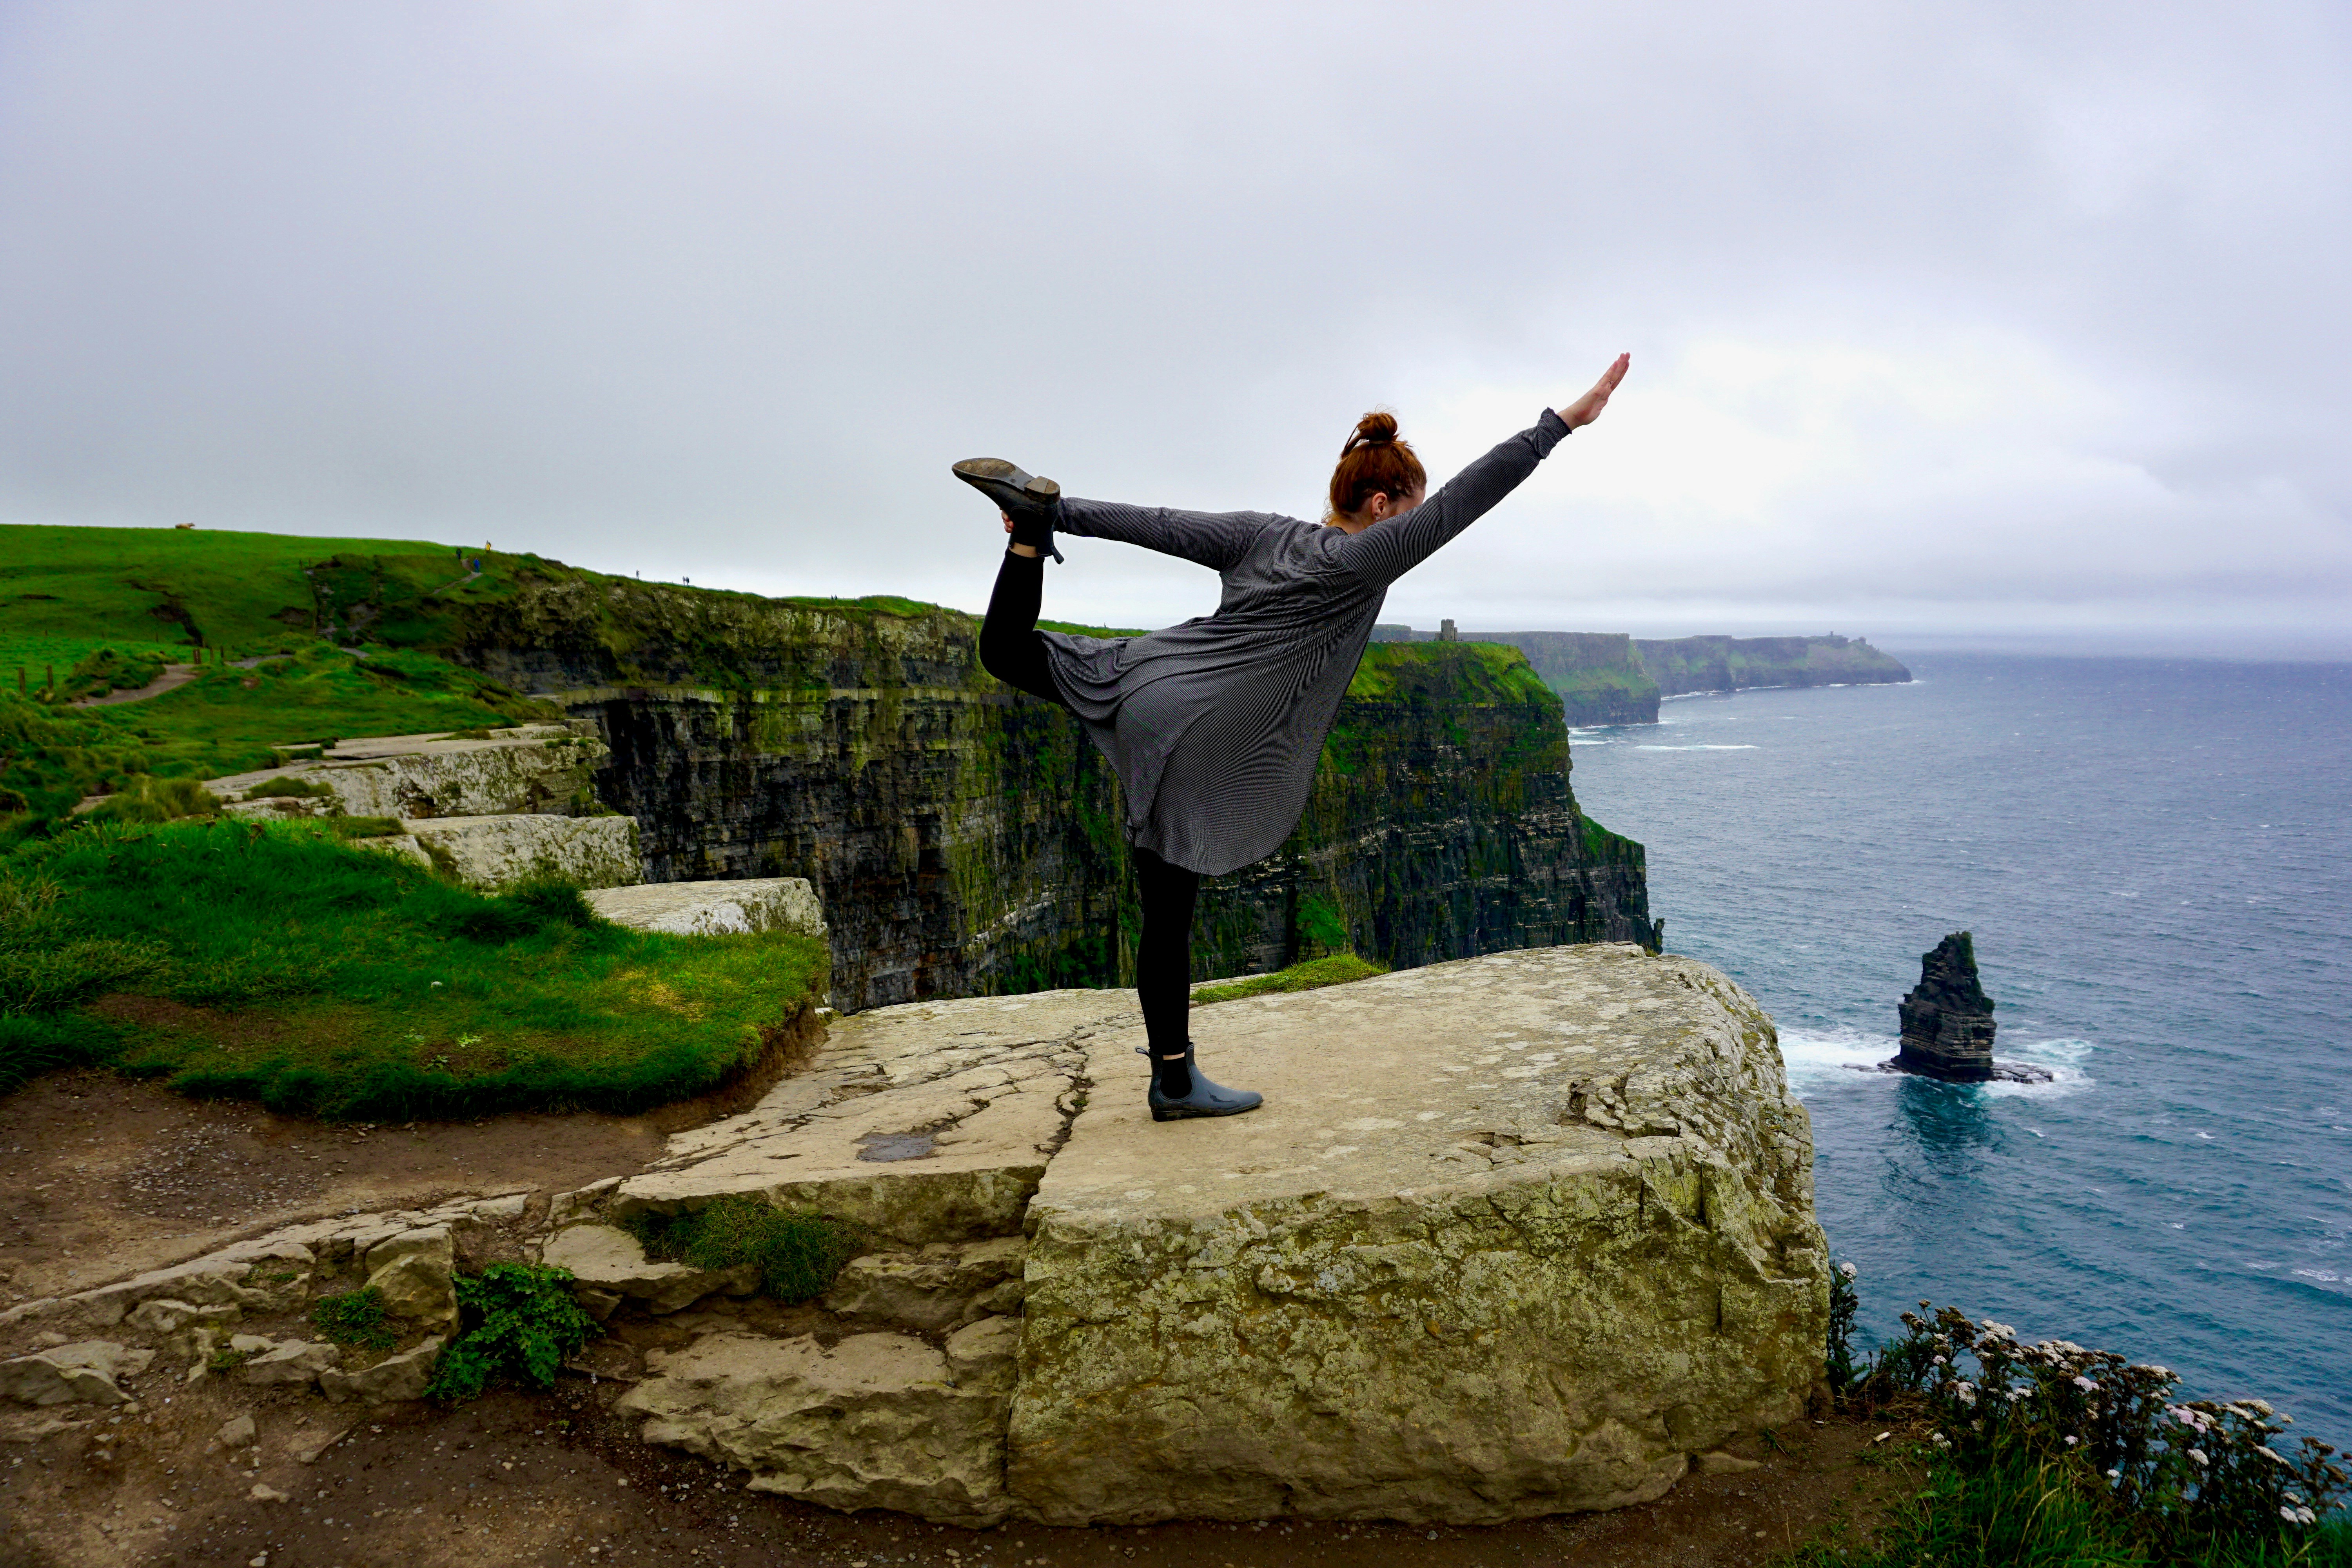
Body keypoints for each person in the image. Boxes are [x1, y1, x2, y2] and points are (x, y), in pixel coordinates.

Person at [955, 354, 1630, 1124]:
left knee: (1007, 652)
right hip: (1201, 731)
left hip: (1146, 678)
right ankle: (1173, 1081)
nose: (1418, 516)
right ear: (1382, 505)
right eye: (1410, 507)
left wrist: (1058, 513)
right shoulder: (1362, 562)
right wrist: (1558, 426)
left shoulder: (1261, 533)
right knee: (1168, 911)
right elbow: (1464, 504)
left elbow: (1158, 525)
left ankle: (1025, 541)